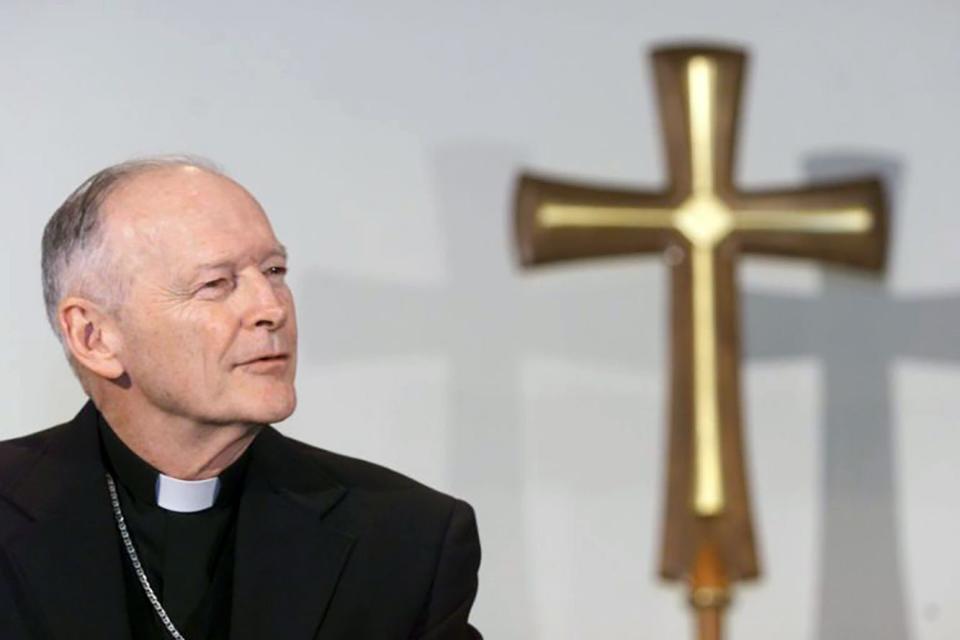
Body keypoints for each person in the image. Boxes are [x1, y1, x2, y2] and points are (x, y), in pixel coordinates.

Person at [0, 157, 482, 639]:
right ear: (94, 336)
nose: (271, 308)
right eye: (216, 284)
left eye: (274, 270)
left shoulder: (407, 539)